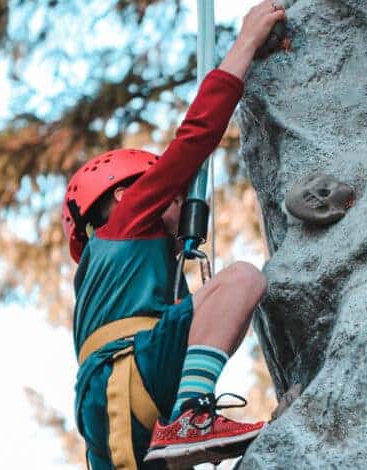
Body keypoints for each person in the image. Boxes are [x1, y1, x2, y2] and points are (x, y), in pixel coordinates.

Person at [62, 2, 287, 468]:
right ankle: (191, 414)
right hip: (128, 376)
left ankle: (188, 423)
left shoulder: (110, 277)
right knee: (242, 279)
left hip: (111, 415)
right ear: (125, 194)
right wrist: (246, 42)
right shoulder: (125, 223)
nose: (181, 200)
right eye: (173, 195)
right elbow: (196, 137)